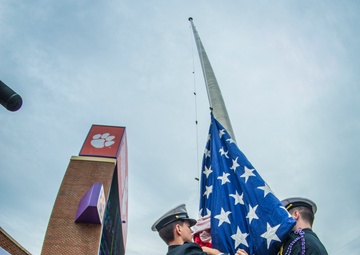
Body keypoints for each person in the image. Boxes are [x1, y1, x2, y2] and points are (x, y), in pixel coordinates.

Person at [152, 204, 249, 255]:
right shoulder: (188, 250)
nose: (192, 231)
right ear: (178, 229)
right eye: (188, 227)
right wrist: (216, 253)